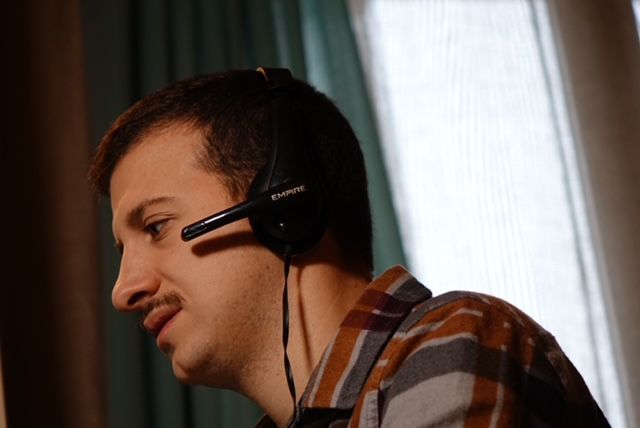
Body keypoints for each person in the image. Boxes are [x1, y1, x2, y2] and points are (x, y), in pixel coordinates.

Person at [89, 68, 609, 427]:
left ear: (283, 202)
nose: (123, 291)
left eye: (156, 227)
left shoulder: (453, 340)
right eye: (121, 249)